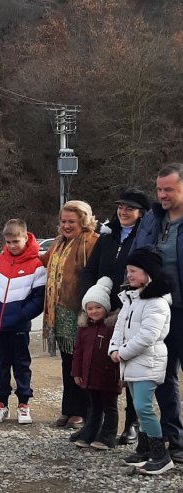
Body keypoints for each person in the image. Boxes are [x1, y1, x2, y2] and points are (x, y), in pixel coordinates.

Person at [79, 188, 151, 444]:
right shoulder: (107, 237)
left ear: (140, 213)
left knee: (128, 367)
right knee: (98, 369)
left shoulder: (144, 237)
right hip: (101, 310)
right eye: (121, 207)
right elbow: (90, 270)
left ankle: (131, 422)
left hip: (129, 308)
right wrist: (90, 299)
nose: (123, 212)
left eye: (129, 208)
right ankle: (93, 422)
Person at [131, 163, 183, 463]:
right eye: (159, 189)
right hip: (157, 310)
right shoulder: (152, 218)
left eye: (169, 190)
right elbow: (138, 253)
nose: (162, 195)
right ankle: (173, 440)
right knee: (162, 378)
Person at [109, 247, 174, 475]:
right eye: (128, 270)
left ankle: (160, 455)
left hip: (148, 362)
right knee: (139, 405)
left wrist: (123, 353)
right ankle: (145, 449)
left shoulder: (156, 302)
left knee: (143, 407)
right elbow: (119, 326)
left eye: (134, 271)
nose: (129, 275)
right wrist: (114, 348)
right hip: (132, 363)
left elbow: (147, 336)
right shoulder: (131, 298)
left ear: (148, 273)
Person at [0, 219, 46, 424]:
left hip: (18, 326)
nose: (12, 246)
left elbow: (39, 297)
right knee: (1, 364)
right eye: (8, 242)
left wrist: (22, 315)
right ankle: (2, 403)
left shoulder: (37, 264)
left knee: (21, 364)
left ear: (26, 237)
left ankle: (23, 404)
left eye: (16, 241)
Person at [41, 200, 99, 429]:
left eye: (71, 221)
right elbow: (42, 263)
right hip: (59, 311)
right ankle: (69, 408)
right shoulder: (58, 242)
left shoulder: (91, 242)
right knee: (68, 363)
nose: (66, 225)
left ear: (83, 221)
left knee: (83, 362)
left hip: (80, 311)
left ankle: (82, 411)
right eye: (63, 221)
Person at [71, 277, 121, 450]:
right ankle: (89, 434)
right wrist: (77, 373)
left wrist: (122, 376)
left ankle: (108, 437)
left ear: (106, 308)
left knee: (110, 407)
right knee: (93, 407)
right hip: (89, 376)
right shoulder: (84, 328)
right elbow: (78, 351)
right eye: (90, 308)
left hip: (109, 376)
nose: (93, 311)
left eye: (98, 307)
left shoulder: (112, 328)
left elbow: (119, 352)